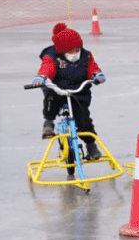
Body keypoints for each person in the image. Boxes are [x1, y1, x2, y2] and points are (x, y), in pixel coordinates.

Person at [32, 24, 106, 159]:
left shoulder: (86, 56)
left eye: (77, 50)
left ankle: (91, 145)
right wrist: (42, 77)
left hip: (78, 92)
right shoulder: (52, 56)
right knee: (51, 99)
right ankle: (48, 121)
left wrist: (96, 75)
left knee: (84, 121)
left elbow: (92, 67)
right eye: (70, 51)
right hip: (58, 89)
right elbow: (47, 67)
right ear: (62, 51)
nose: (75, 54)